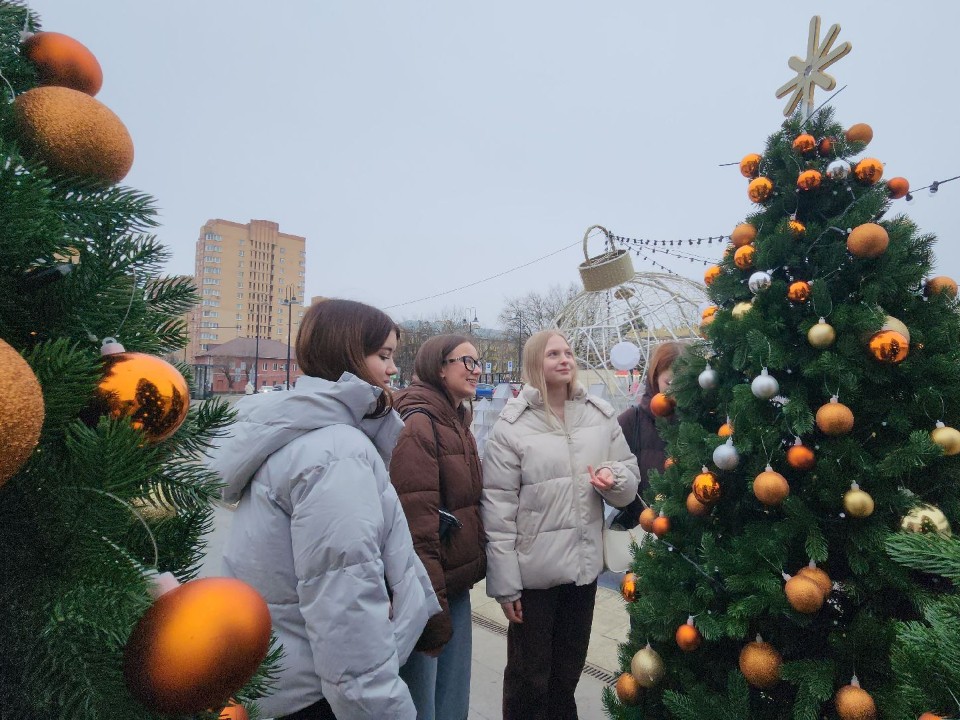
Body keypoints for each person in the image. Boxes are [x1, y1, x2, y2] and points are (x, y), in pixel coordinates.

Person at [209, 299, 441, 720]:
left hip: (280, 673)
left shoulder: (307, 435)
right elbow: (344, 600)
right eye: (383, 355)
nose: (392, 369)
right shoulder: (336, 451)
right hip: (316, 693)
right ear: (347, 354)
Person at [481, 330, 641, 720]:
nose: (564, 359)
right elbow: (497, 509)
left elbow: (630, 476)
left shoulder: (599, 415)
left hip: (583, 572)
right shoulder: (512, 426)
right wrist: (505, 585)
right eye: (553, 353)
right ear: (536, 362)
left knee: (567, 674)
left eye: (568, 352)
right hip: (532, 576)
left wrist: (613, 479)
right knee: (528, 678)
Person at [390, 334, 487, 720]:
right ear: (438, 366)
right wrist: (434, 609)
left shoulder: (455, 419)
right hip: (428, 589)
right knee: (425, 703)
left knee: (449, 699)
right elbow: (417, 524)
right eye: (467, 361)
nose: (477, 370)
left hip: (453, 582)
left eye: (479, 362)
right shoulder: (419, 422)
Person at [616, 341, 684, 521]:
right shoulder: (631, 421)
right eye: (669, 382)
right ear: (655, 378)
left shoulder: (705, 420)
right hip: (645, 529)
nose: (677, 389)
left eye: (685, 381)